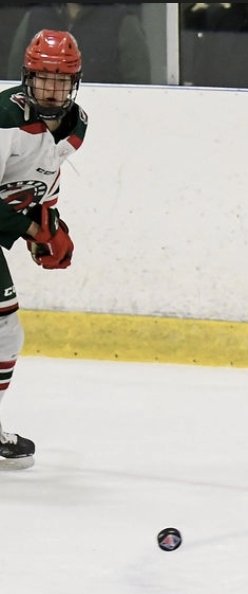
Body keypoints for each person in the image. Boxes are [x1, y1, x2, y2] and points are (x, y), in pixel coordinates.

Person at [0, 30, 86, 470]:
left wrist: (52, 224)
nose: (51, 89)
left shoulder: (77, 124)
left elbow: (43, 183)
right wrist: (35, 230)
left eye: (61, 80)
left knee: (6, 333)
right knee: (4, 328)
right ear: (26, 76)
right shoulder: (4, 116)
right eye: (42, 78)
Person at [6, 3, 149, 84]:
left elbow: (138, 85)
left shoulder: (122, 20)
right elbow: (14, 76)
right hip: (41, 120)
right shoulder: (35, 17)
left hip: (106, 118)